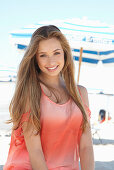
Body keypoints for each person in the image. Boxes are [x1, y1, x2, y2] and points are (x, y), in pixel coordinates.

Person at [4, 25, 94, 170]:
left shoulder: (81, 93)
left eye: (56, 53)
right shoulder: (31, 91)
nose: (51, 62)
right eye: (43, 55)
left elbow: (86, 146)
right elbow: (35, 151)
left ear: (65, 53)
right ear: (35, 58)